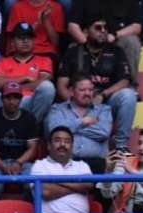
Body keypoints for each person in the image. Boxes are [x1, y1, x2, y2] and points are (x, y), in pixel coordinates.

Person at [57, 20, 137, 151]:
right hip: (79, 101)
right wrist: (74, 104)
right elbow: (61, 84)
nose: (103, 31)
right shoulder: (73, 52)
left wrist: (102, 94)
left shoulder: (116, 51)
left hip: (106, 100)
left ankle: (120, 145)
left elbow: (125, 80)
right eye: (98, 28)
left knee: (129, 95)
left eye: (106, 28)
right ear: (86, 32)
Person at [0, 23, 55, 119]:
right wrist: (25, 78)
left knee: (48, 87)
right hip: (6, 100)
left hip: (30, 101)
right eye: (21, 38)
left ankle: (32, 125)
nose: (25, 41)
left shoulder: (45, 60)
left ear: (33, 41)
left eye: (29, 38)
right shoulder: (3, 61)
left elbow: (43, 83)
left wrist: (12, 85)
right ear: (12, 42)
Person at [45, 75, 114, 172]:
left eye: (90, 90)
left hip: (97, 164)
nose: (87, 93)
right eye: (82, 90)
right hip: (65, 163)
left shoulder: (103, 110)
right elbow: (54, 130)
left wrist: (69, 129)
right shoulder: (58, 109)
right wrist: (83, 121)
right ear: (71, 91)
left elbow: (103, 132)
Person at [0, 81, 43, 190]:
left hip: (23, 161)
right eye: (8, 98)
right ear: (2, 99)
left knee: (31, 183)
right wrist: (2, 166)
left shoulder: (29, 118)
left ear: (21, 100)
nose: (12, 102)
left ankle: (27, 207)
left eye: (16, 98)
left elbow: (32, 149)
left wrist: (18, 163)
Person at [67, 0, 143, 76]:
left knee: (131, 42)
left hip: (115, 41)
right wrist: (86, 44)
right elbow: (72, 25)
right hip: (88, 41)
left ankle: (128, 84)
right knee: (73, 47)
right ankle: (80, 85)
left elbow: (136, 26)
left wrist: (115, 35)